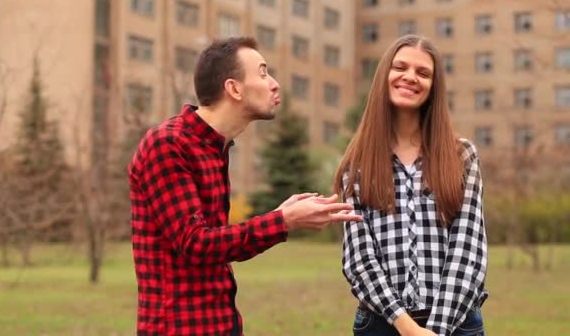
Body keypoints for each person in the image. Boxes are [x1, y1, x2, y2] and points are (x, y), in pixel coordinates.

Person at [127, 36, 362, 336]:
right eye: (263, 73)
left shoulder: (215, 149)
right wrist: (282, 220)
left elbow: (216, 245)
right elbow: (195, 244)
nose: (275, 83)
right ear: (234, 88)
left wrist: (280, 217)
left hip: (221, 325)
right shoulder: (168, 144)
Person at [333, 34, 488, 336]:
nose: (410, 77)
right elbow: (359, 259)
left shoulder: (461, 156)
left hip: (456, 323)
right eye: (400, 67)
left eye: (423, 72)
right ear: (384, 77)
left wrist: (437, 329)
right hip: (381, 324)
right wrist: (406, 326)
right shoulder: (357, 163)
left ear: (434, 87)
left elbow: (468, 249)